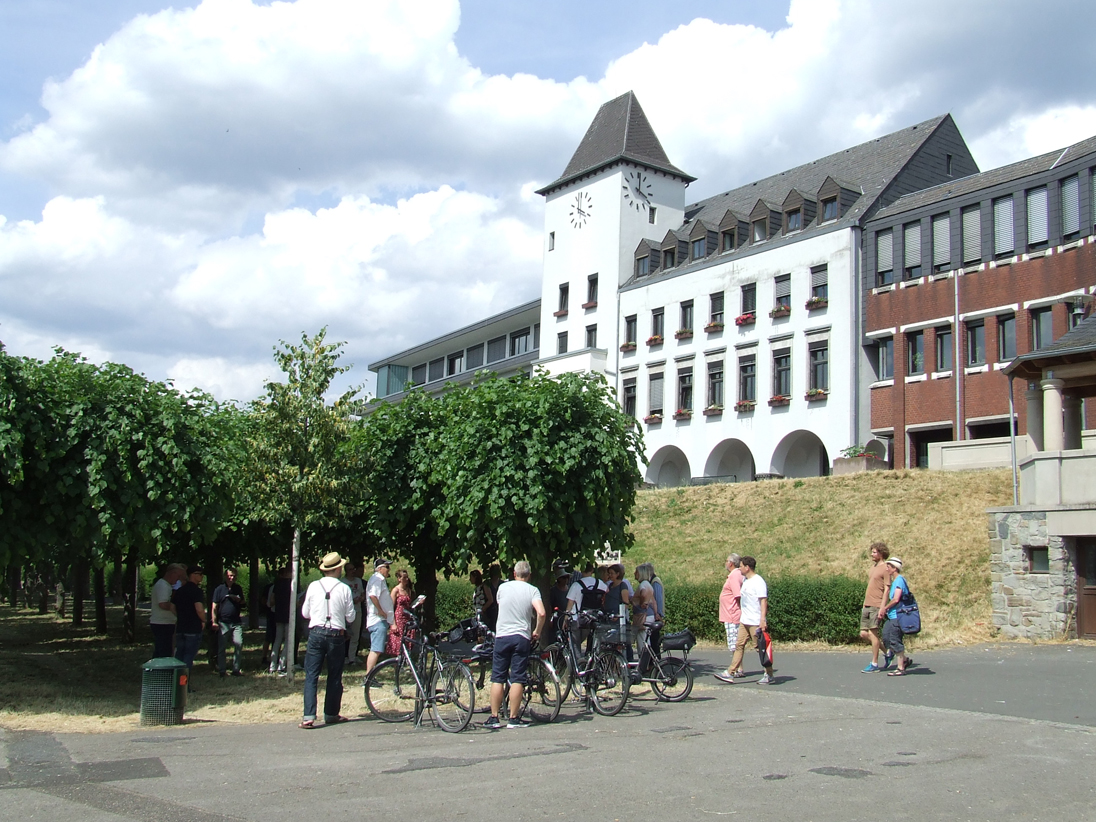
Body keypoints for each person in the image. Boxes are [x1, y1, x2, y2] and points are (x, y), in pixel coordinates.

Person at [484, 560, 546, 730]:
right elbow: (541, 612)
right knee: (518, 677)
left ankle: (494, 717)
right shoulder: (533, 590)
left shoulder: (503, 588)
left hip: (502, 635)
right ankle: (513, 718)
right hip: (521, 636)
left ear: (514, 574)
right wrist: (537, 631)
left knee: (498, 677)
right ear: (529, 575)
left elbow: (499, 603)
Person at [299, 552, 356, 729]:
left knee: (311, 675)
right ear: (338, 568)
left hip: (316, 632)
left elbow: (305, 613)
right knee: (334, 675)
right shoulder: (344, 588)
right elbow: (351, 616)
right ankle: (331, 713)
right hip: (336, 635)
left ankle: (308, 715)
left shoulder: (314, 586)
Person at [728, 556, 775, 685]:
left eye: (741, 566)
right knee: (739, 645)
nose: (740, 568)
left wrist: (762, 620)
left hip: (755, 621)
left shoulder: (758, 581)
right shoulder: (746, 581)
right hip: (745, 620)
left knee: (760, 647)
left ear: (747, 568)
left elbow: (763, 601)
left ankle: (769, 673)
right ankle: (730, 672)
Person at [171, 566, 207, 692]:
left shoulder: (180, 591)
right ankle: (183, 685)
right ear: (193, 575)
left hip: (181, 627)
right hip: (193, 628)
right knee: (188, 658)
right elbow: (199, 609)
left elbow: (172, 607)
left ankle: (175, 684)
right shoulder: (196, 591)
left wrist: (181, 616)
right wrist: (203, 620)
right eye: (200, 574)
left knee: (179, 656)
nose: (201, 577)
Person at [860, 542, 892, 673]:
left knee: (873, 634)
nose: (872, 554)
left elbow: (887, 589)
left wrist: (883, 607)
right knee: (863, 634)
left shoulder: (885, 568)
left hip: (876, 605)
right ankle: (888, 652)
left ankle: (874, 664)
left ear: (881, 553)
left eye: (874, 552)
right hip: (867, 604)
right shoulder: (873, 567)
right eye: (872, 552)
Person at [211, 567, 245, 677]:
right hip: (223, 622)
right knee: (222, 647)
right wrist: (214, 621)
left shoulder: (238, 588)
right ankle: (222, 670)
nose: (232, 578)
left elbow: (243, 602)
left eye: (234, 576)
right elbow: (214, 606)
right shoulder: (219, 589)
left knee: (239, 644)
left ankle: (236, 669)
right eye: (230, 575)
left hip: (236, 622)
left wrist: (238, 600)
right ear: (226, 576)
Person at [881, 557, 913, 676]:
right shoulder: (896, 581)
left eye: (889, 566)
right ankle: (904, 659)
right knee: (886, 636)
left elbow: (896, 599)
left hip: (898, 615)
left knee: (895, 639)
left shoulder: (899, 580)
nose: (887, 568)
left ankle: (901, 668)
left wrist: (885, 608)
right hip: (892, 616)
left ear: (894, 568)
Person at [715, 554, 744, 682]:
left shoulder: (734, 575)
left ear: (731, 563)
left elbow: (737, 595)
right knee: (735, 643)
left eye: (727, 561)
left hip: (732, 614)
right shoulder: (735, 575)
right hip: (730, 614)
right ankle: (738, 668)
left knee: (734, 643)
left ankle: (736, 669)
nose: (725, 563)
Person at [150, 563, 186, 658]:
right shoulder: (163, 585)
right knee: (164, 651)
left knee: (164, 649)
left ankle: (159, 670)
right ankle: (161, 670)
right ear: (172, 573)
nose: (178, 579)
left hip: (166, 623)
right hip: (162, 623)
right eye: (178, 576)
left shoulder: (167, 585)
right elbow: (163, 604)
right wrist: (177, 609)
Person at [365, 559, 393, 674]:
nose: (388, 570)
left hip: (377, 619)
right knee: (376, 649)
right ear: (380, 569)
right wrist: (381, 611)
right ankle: (369, 676)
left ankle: (369, 676)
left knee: (376, 649)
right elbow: (373, 595)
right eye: (386, 567)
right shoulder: (378, 579)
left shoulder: (377, 579)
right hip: (377, 619)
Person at [268, 566, 292, 675]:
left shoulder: (276, 585)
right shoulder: (292, 585)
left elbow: (272, 600)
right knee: (288, 641)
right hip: (288, 615)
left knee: (277, 640)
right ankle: (281, 666)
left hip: (278, 614)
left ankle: (272, 665)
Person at [385, 570, 414, 656]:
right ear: (399, 579)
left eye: (407, 577)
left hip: (407, 616)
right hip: (398, 617)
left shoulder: (408, 590)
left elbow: (410, 605)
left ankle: (406, 658)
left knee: (408, 638)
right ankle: (396, 659)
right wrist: (393, 623)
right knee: (398, 639)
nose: (406, 579)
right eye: (404, 577)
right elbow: (391, 607)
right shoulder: (396, 590)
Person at [343, 562, 366, 665]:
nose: (353, 571)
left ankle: (352, 658)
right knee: (345, 634)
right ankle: (344, 656)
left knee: (355, 635)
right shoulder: (343, 582)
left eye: (353, 569)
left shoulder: (358, 581)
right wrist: (352, 601)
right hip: (346, 611)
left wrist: (361, 598)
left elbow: (362, 593)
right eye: (350, 569)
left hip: (357, 610)